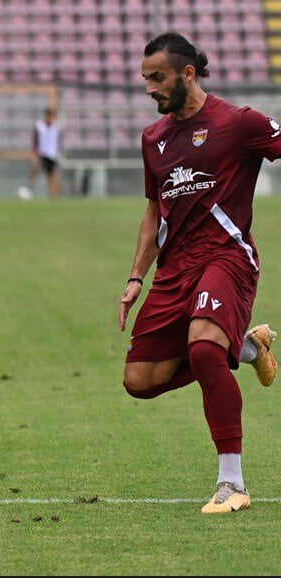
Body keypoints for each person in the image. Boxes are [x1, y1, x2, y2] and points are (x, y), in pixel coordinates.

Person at [119, 32, 279, 514]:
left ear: (188, 73)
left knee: (206, 348)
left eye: (158, 77)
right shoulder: (155, 138)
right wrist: (135, 277)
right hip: (175, 269)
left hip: (226, 258)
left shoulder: (238, 123)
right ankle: (249, 347)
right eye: (145, 78)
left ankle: (232, 483)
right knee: (140, 380)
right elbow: (153, 211)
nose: (149, 88)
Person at [18, 108, 60, 200]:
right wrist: (35, 151)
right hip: (41, 152)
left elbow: (58, 141)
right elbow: (35, 139)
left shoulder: (56, 127)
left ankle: (53, 194)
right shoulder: (39, 126)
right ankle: (29, 188)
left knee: (51, 175)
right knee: (35, 170)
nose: (49, 118)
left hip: (52, 154)